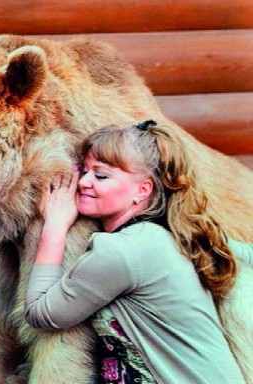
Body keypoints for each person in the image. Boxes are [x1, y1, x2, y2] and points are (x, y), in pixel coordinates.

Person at [24, 120, 252, 383]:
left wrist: (54, 226)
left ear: (142, 190)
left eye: (100, 175)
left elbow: (42, 314)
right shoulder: (171, 233)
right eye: (82, 170)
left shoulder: (124, 251)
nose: (84, 182)